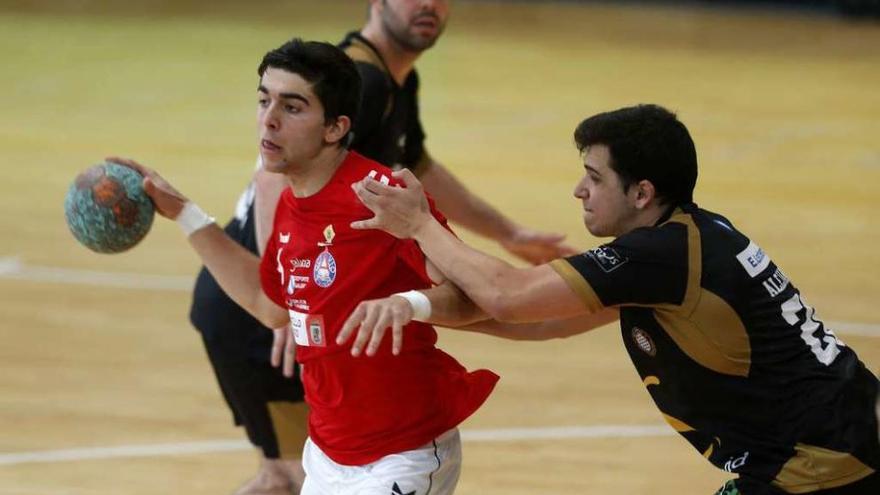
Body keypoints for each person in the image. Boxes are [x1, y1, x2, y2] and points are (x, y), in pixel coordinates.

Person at [341, 104, 880, 494]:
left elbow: (507, 296)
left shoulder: (660, 255)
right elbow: (540, 322)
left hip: (825, 467)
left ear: (642, 193)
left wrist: (418, 226)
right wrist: (412, 308)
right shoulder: (690, 239)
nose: (579, 190)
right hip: (841, 446)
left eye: (594, 177)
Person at [188, 2, 570, 492]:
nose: (427, 5)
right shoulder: (363, 82)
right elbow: (271, 179)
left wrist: (507, 233)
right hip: (260, 305)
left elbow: (419, 167)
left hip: (308, 305)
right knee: (283, 475)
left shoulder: (393, 80)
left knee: (282, 475)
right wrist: (293, 290)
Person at [114, 38, 497, 495]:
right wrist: (185, 214)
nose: (269, 120)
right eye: (263, 100)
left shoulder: (383, 196)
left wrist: (409, 303)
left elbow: (475, 297)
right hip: (328, 456)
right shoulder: (293, 203)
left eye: (292, 107)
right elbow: (267, 304)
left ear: (335, 128)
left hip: (402, 454)